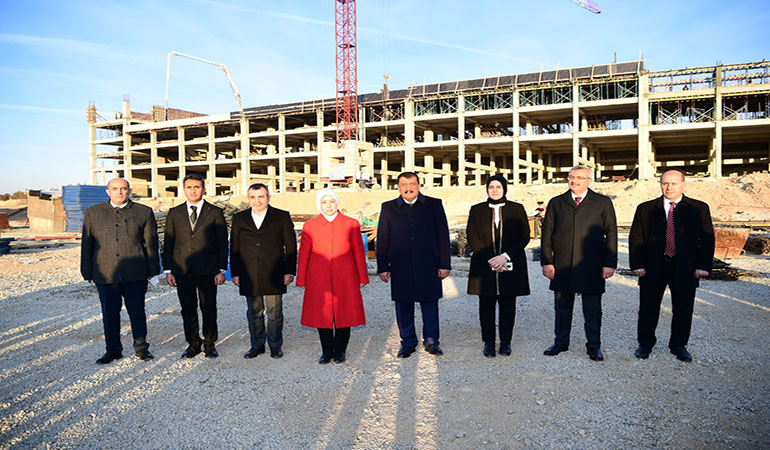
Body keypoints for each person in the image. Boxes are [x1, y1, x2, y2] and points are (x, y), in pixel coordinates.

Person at [629, 170, 714, 362]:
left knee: (683, 309)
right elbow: (636, 237)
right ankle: (645, 344)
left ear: (683, 184)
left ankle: (679, 345)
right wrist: (638, 264)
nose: (669, 187)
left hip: (685, 267)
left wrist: (703, 265)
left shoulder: (698, 208)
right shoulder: (646, 208)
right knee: (648, 307)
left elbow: (707, 238)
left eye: (674, 183)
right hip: (652, 267)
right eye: (665, 183)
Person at [541, 165, 617, 361]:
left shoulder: (602, 203)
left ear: (589, 181)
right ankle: (560, 342)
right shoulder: (557, 203)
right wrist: (547, 261)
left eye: (580, 178)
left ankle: (594, 346)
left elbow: (611, 234)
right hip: (563, 264)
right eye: (571, 177)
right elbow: (547, 234)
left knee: (592, 309)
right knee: (562, 307)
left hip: (592, 265)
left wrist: (610, 263)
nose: (574, 181)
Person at [81, 178, 159, 364]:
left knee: (137, 313)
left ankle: (141, 348)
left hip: (135, 272)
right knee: (110, 314)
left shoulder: (143, 212)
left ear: (129, 191)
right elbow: (87, 244)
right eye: (115, 189)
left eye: (123, 189)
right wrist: (87, 272)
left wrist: (153, 269)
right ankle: (113, 350)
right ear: (108, 191)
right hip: (106, 272)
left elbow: (152, 243)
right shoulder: (93, 213)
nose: (119, 192)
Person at [376, 171, 451, 358]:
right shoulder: (388, 208)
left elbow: (443, 236)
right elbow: (383, 239)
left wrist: (444, 264)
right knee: (403, 305)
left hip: (428, 264)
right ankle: (407, 341)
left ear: (419, 185)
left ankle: (432, 341)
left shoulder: (434, 205)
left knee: (429, 304)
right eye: (404, 184)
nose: (408, 188)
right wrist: (383, 266)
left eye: (412, 184)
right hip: (400, 265)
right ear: (398, 187)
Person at [296, 189, 368, 364]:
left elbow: (358, 251)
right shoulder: (310, 225)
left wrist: (362, 277)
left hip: (345, 275)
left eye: (332, 201)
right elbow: (304, 253)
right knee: (323, 314)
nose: (328, 206)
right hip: (318, 276)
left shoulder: (351, 224)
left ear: (337, 203)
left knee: (345, 312)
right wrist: (302, 278)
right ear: (319, 204)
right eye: (324, 202)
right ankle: (326, 350)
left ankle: (340, 350)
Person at [162, 174, 228, 359]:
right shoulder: (174, 213)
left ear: (203, 189)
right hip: (182, 269)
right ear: (184, 189)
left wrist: (221, 269)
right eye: (189, 187)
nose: (193, 190)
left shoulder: (214, 212)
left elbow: (223, 243)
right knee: (188, 308)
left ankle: (209, 342)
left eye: (197, 187)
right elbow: (168, 242)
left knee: (209, 306)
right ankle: (193, 343)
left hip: (208, 269)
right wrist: (168, 270)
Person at [466, 175, 530, 358]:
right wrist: (491, 258)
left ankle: (506, 341)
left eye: (498, 187)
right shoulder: (477, 210)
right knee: (486, 304)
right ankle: (488, 342)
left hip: (510, 261)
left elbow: (524, 236)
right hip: (484, 263)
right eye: (491, 187)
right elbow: (473, 237)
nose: (494, 190)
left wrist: (504, 256)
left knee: (508, 303)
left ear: (504, 189)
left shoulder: (517, 209)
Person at [230, 183, 297, 359]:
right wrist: (235, 273)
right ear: (248, 198)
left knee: (274, 313)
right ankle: (257, 345)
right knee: (254, 312)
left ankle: (275, 345)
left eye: (261, 196)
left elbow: (290, 247)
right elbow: (235, 248)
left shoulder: (281, 216)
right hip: (248, 272)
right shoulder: (239, 218)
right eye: (253, 197)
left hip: (274, 271)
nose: (257, 200)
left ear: (268, 197)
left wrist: (289, 271)